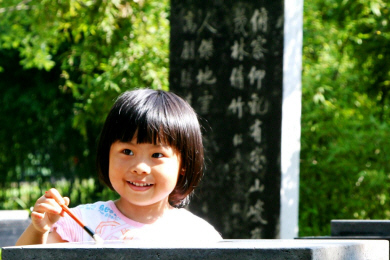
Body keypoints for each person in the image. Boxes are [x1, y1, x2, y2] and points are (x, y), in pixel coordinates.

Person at [16, 89, 222, 245]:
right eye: (127, 152)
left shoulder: (198, 236)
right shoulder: (78, 223)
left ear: (184, 164)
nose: (140, 167)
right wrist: (39, 230)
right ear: (107, 154)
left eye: (157, 154)